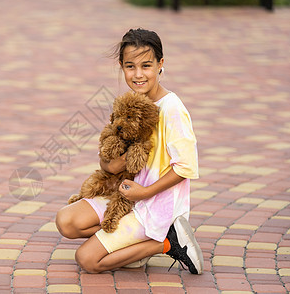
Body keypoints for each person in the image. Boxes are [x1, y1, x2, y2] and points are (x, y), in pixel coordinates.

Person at [55, 28, 204, 274]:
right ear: (121, 66)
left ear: (160, 64)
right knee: (67, 221)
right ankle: (132, 243)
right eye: (130, 66)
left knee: (87, 260)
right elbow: (111, 151)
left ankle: (166, 243)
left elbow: (186, 167)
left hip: (155, 204)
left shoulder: (172, 109)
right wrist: (108, 166)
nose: (138, 75)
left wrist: (144, 193)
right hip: (126, 196)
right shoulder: (131, 103)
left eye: (146, 66)